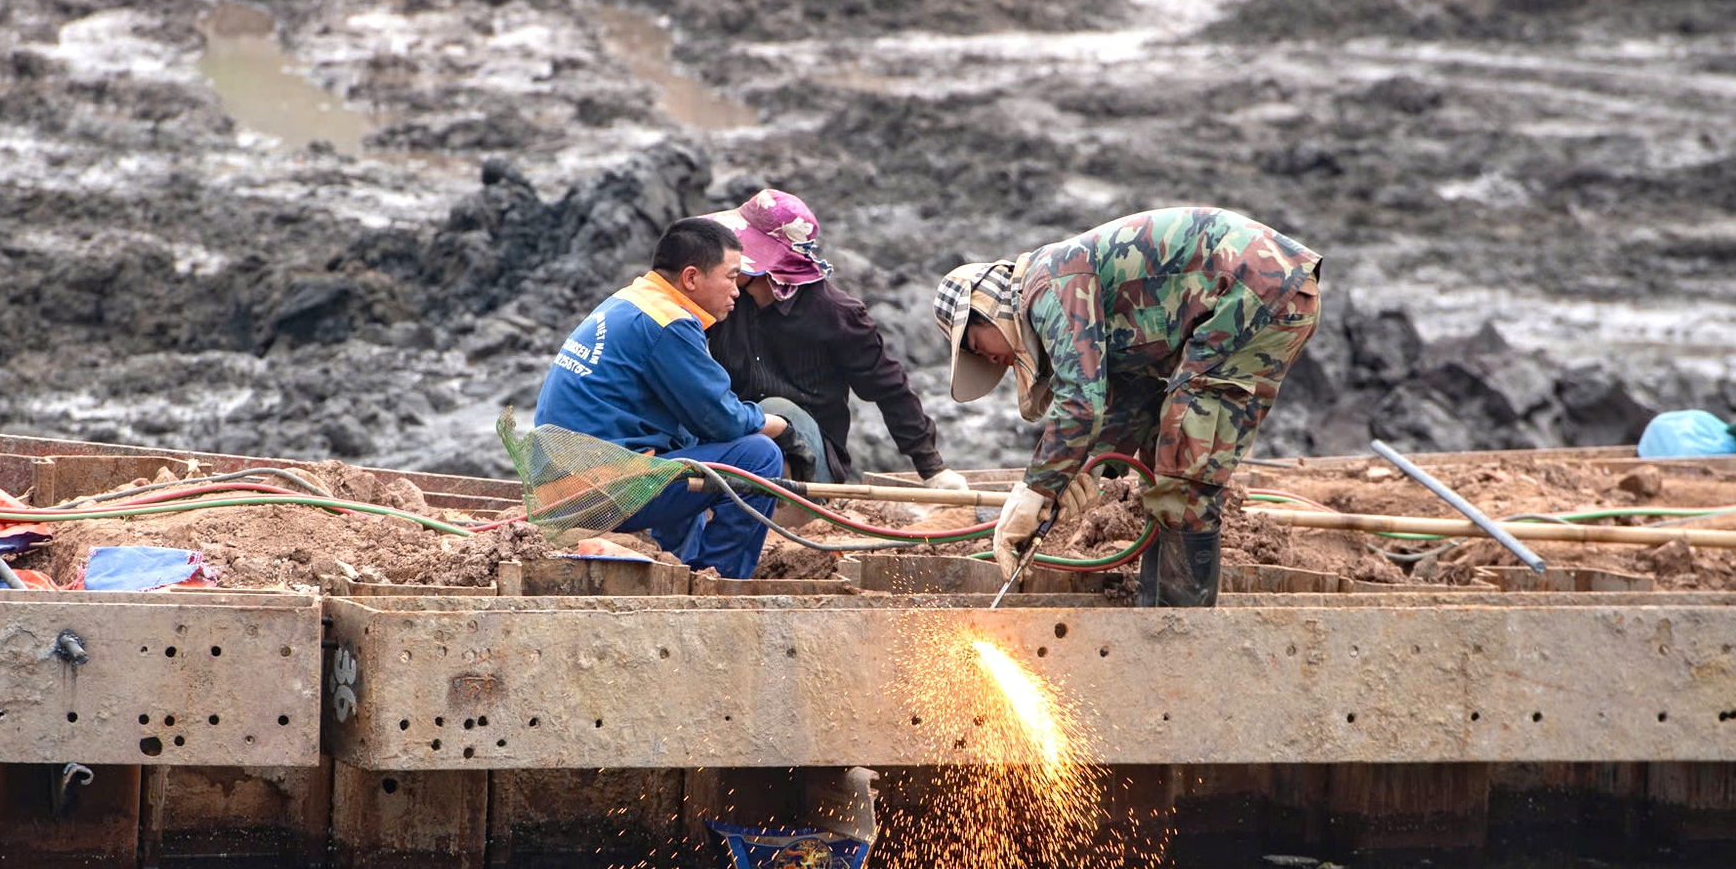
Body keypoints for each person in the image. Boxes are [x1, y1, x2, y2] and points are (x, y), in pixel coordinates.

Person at [934, 207, 1322, 607]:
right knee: (1163, 458)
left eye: (979, 347)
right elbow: (1133, 395)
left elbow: (1081, 402)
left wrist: (1035, 490)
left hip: (1258, 286)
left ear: (988, 307)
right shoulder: (1062, 290)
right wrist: (1090, 470)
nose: (993, 362)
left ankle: (1179, 632)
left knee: (1187, 468)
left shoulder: (1048, 284)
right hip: (1258, 292)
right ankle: (1156, 612)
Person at [533, 217, 798, 580]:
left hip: (564, 483)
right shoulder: (668, 322)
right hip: (600, 491)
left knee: (686, 447)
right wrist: (779, 426)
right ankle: (718, 581)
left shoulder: (633, 300)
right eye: (731, 276)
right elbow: (721, 419)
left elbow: (698, 421)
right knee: (760, 458)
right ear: (691, 278)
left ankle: (680, 562)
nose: (737, 290)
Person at [703, 188, 967, 491]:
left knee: (777, 409)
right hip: (738, 434)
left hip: (809, 464)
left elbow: (890, 388)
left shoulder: (835, 313)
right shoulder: (726, 299)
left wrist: (932, 468)